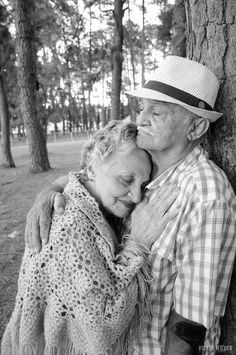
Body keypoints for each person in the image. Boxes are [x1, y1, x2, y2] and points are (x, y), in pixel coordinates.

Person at [22, 56, 236, 354]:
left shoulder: (206, 194)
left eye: (157, 112)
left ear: (196, 127)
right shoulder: (145, 164)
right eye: (142, 108)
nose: (141, 119)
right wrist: (51, 190)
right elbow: (94, 175)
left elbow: (190, 323)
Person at [1, 120, 178, 355]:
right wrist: (138, 243)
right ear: (92, 169)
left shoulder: (89, 200)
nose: (136, 197)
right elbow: (100, 328)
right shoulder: (71, 223)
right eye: (126, 180)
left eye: (143, 184)